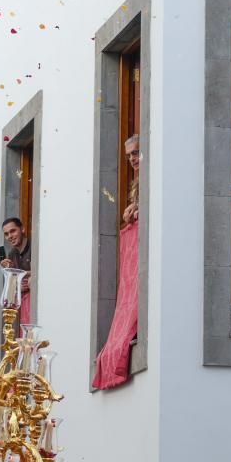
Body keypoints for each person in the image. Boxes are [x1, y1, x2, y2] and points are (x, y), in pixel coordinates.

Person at [93, 134, 140, 390]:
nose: (132, 158)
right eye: (129, 155)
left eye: (136, 153)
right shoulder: (137, 184)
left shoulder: (152, 177)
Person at [0, 217, 31, 326]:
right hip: (21, 310)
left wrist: (20, 275)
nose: (10, 236)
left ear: (22, 229)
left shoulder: (35, 246)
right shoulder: (12, 254)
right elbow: (11, 292)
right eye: (6, 234)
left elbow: (43, 271)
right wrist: (9, 272)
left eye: (13, 231)